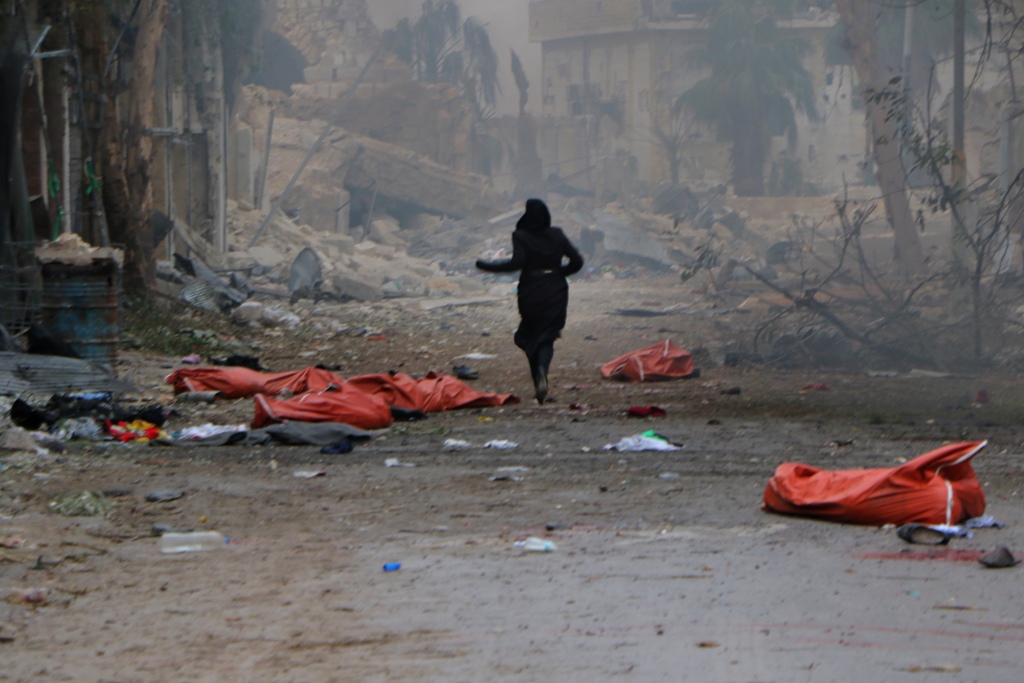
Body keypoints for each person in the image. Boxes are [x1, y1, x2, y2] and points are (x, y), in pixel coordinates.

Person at [476, 199, 584, 404]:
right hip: (555, 291)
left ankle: (538, 378)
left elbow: (517, 263)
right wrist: (559, 273)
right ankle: (542, 372)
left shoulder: (520, 236)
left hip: (530, 290)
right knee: (548, 335)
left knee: (527, 335)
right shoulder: (557, 234)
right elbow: (577, 262)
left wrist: (487, 266)